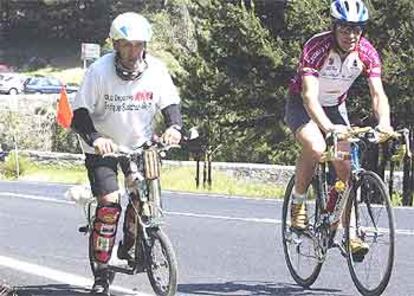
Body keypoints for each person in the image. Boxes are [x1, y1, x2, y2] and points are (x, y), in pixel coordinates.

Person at [70, 12, 183, 296]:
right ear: (115, 44)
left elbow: (170, 103)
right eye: (127, 45)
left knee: (141, 200)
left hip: (138, 145)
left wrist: (174, 127)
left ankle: (132, 245)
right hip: (103, 148)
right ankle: (102, 271)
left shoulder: (155, 70)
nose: (134, 51)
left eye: (139, 44)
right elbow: (79, 115)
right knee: (109, 206)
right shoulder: (98, 71)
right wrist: (96, 138)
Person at [285, 0, 393, 256]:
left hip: (335, 107)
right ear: (334, 27)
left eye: (357, 29)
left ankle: (350, 233)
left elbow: (378, 94)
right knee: (316, 145)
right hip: (302, 104)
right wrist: (329, 128)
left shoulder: (366, 52)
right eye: (345, 29)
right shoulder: (317, 46)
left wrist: (385, 123)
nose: (351, 35)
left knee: (346, 170)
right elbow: (309, 96)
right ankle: (298, 202)